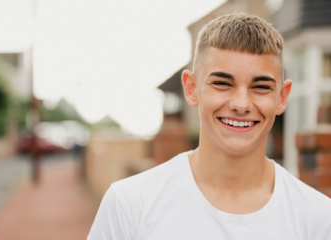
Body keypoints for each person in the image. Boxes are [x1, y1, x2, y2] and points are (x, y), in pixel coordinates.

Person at [87, 13, 331, 239]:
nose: (241, 104)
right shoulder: (130, 204)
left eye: (261, 87)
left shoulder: (318, 219)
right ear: (191, 89)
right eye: (223, 83)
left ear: (281, 97)